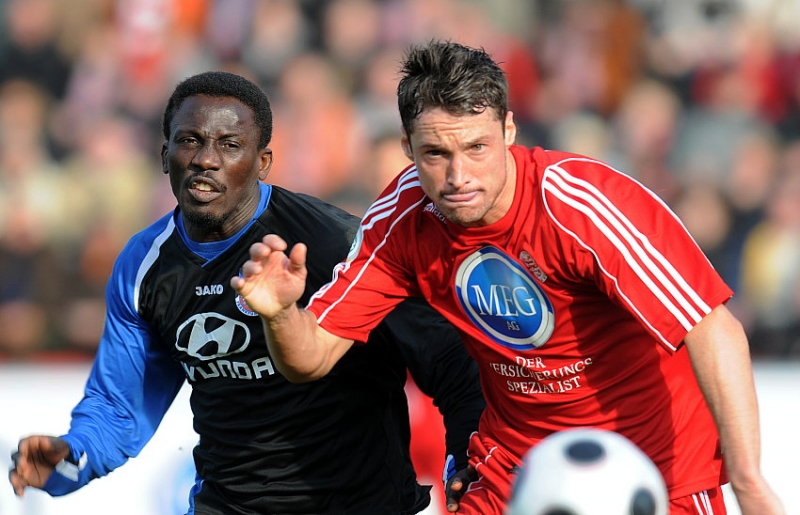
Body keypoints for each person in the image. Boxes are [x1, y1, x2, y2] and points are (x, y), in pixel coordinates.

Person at [229, 41, 785, 515]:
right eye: (435, 153)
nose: (458, 175)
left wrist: (749, 481)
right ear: (407, 149)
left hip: (653, 468)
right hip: (518, 470)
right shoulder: (401, 221)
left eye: (477, 147)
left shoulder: (580, 205)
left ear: (509, 130)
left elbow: (712, 328)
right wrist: (280, 314)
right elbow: (310, 358)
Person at [8, 71, 486, 515]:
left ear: (263, 163)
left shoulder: (336, 245)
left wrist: (467, 458)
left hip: (359, 504)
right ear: (164, 154)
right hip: (227, 504)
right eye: (189, 141)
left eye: (229, 144)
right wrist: (72, 454)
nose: (205, 159)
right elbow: (120, 406)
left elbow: (448, 359)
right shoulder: (143, 266)